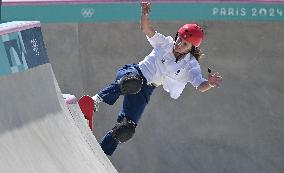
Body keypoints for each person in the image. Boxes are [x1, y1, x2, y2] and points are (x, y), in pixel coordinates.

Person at [90, 1, 222, 156]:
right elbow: (146, 29)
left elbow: (200, 86)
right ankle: (95, 100)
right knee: (132, 83)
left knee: (127, 128)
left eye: (184, 44)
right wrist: (145, 14)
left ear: (192, 48)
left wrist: (210, 84)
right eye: (179, 39)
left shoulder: (191, 66)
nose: (179, 44)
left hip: (146, 89)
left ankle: (101, 153)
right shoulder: (165, 43)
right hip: (133, 72)